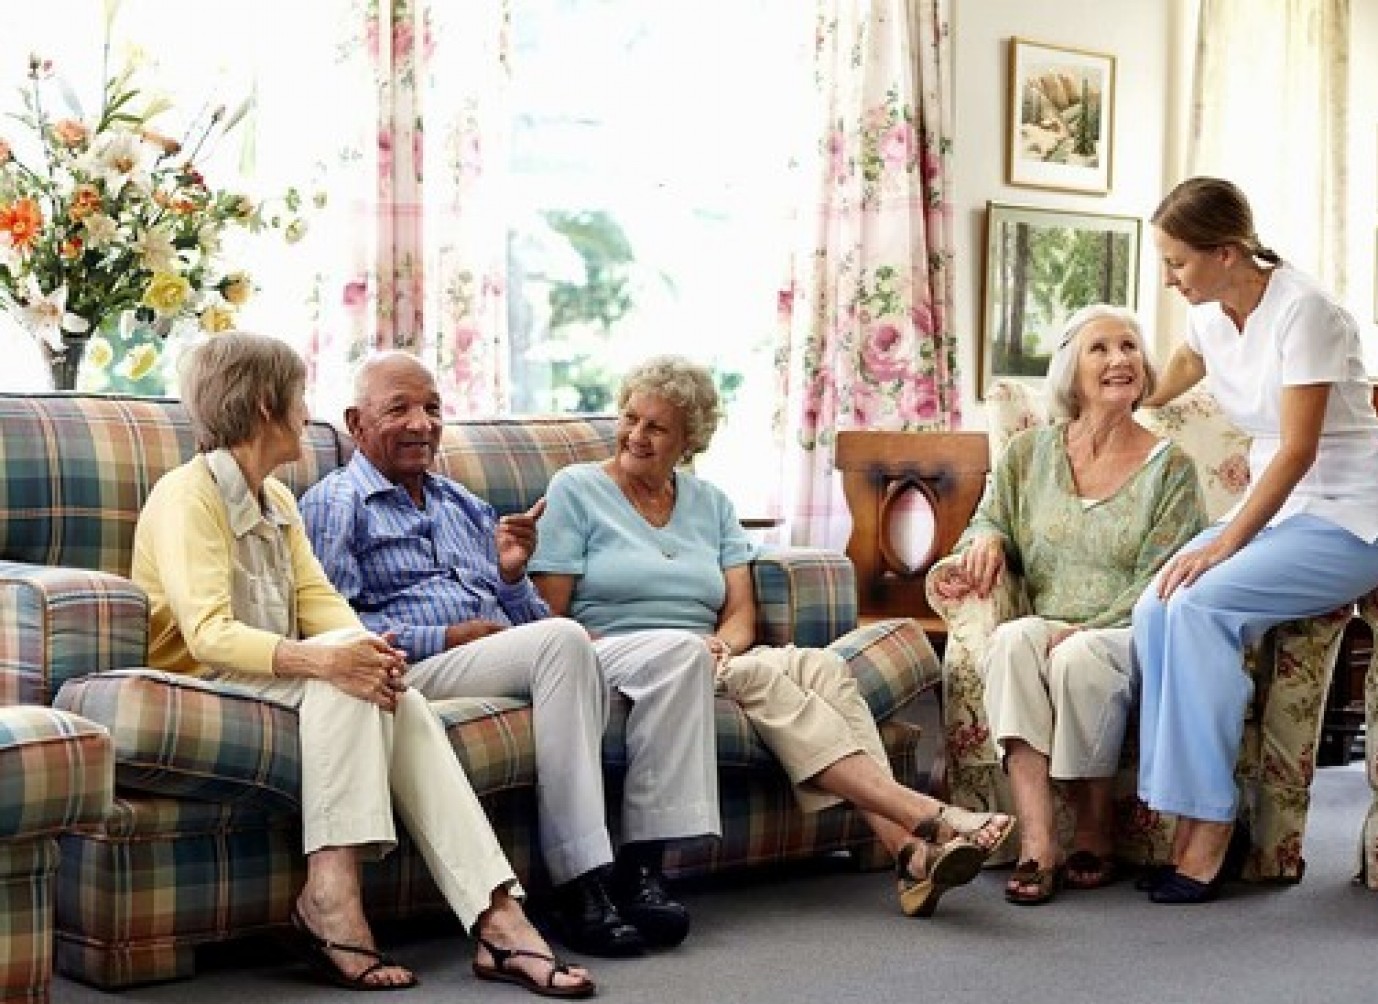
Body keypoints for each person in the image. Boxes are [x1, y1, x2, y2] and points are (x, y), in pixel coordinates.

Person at [133, 332, 594, 997]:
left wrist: (370, 655)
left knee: (385, 687)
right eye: (299, 397)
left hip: (268, 677)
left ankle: (499, 916)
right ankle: (332, 897)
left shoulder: (276, 499)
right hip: (201, 683)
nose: (307, 413)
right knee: (343, 679)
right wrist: (328, 660)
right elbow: (207, 635)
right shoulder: (186, 496)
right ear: (265, 405)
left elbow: (321, 601)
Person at [528, 355, 1015, 919]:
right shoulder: (577, 489)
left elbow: (741, 614)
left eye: (656, 427)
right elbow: (550, 616)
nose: (636, 435)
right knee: (761, 678)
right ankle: (926, 814)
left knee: (825, 669)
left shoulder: (709, 504)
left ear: (688, 441)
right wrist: (685, 651)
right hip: (622, 656)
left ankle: (908, 854)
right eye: (631, 418)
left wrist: (722, 646)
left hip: (710, 654)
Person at [300, 351, 719, 958]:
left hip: (498, 652)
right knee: (562, 641)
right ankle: (579, 882)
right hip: (415, 667)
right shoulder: (335, 503)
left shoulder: (461, 503)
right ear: (355, 422)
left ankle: (641, 870)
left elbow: (532, 623)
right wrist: (446, 637)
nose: (421, 423)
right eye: (399, 409)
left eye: (432, 408)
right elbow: (331, 626)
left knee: (679, 654)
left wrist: (512, 577)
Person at [1134, 177, 1378, 904]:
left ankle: (1210, 828)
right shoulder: (1210, 312)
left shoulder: (1306, 312)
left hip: (1351, 519)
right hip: (1285, 517)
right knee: (1155, 605)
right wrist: (1131, 391)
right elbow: (1187, 365)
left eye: (1177, 262)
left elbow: (1297, 450)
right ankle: (1173, 815)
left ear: (1227, 252)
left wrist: (1224, 545)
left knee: (1200, 604)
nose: (1168, 278)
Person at [937, 305, 1206, 906]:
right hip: (1047, 620)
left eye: (1130, 347)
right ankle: (1038, 841)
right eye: (1100, 349)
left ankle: (1093, 826)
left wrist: (1086, 626)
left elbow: (1164, 578)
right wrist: (988, 537)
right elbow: (989, 516)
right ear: (1071, 371)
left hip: (1128, 629)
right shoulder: (1028, 453)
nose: (1120, 360)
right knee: (1012, 640)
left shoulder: (1172, 470)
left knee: (1077, 657)